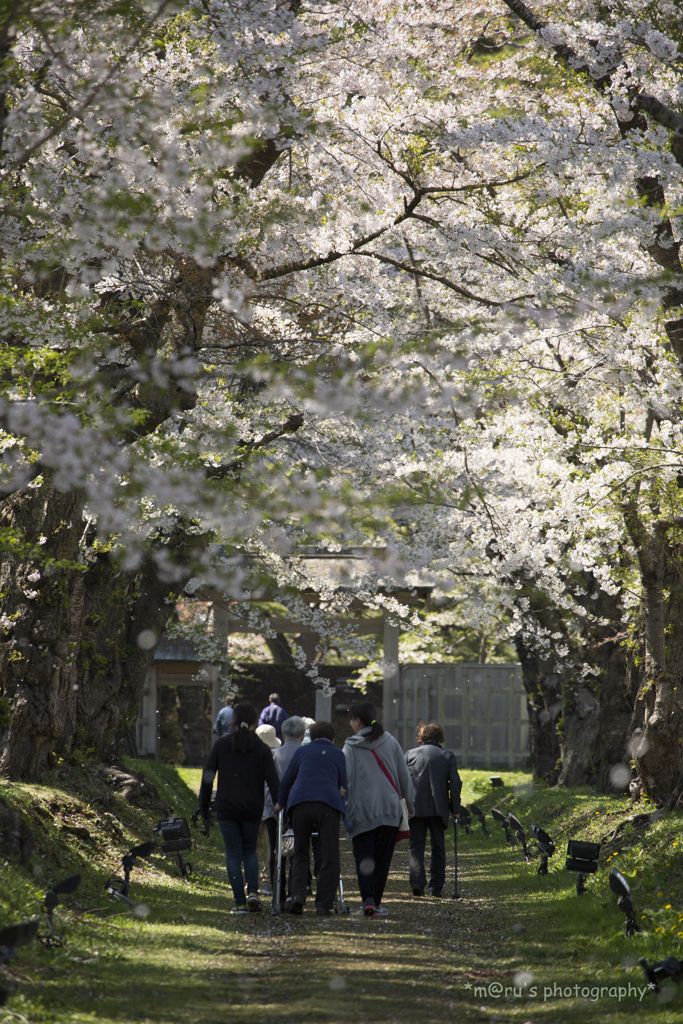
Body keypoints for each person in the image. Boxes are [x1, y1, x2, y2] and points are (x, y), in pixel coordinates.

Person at [199, 701, 279, 914]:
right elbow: (273, 781)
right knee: (250, 852)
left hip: (226, 807)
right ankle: (253, 891)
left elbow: (208, 777)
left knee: (233, 854)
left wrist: (204, 806)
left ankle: (240, 903)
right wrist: (281, 805)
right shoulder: (262, 748)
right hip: (253, 808)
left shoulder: (222, 745)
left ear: (232, 722)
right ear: (255, 722)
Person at [343, 702, 414, 918]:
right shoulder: (390, 741)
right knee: (383, 859)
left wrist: (343, 805)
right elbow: (404, 775)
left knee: (364, 858)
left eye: (351, 718)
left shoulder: (350, 746)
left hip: (362, 810)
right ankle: (377, 902)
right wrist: (410, 805)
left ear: (357, 720)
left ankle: (368, 902)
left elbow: (345, 780)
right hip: (390, 810)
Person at [277, 721, 347, 916]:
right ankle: (324, 904)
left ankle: (298, 896)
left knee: (300, 852)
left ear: (311, 737)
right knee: (329, 854)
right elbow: (343, 784)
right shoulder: (338, 753)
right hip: (328, 804)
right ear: (332, 739)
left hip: (301, 802)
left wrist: (280, 803)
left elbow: (287, 780)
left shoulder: (302, 751)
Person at [404, 721, 462, 898]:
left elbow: (403, 781)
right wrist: (455, 808)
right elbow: (455, 783)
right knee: (438, 848)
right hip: (439, 809)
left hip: (415, 808)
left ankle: (417, 883)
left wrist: (405, 805)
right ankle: (436, 887)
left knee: (415, 847)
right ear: (440, 738)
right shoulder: (447, 755)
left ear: (421, 737)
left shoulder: (409, 755)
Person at [255, 724, 281, 895]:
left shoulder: (250, 758)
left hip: (254, 808)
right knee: (271, 847)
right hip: (272, 808)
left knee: (254, 846)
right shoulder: (277, 758)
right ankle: (266, 880)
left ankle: (254, 879)